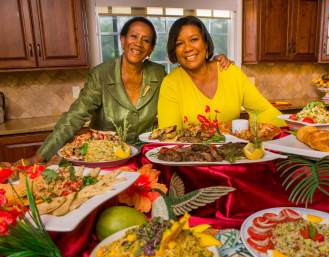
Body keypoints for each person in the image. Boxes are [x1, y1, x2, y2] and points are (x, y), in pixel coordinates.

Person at [26, 17, 231, 163]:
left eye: (146, 40)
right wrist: (41, 154)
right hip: (103, 160)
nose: (138, 44)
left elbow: (187, 74)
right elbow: (74, 117)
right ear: (123, 40)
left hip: (145, 159)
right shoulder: (101, 75)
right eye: (133, 36)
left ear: (151, 49)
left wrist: (212, 61)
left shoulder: (159, 74)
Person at [158, 16, 286, 129]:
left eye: (194, 39)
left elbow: (264, 111)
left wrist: (293, 130)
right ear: (174, 51)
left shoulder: (229, 72)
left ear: (206, 44)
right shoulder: (171, 84)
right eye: (179, 43)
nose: (188, 48)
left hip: (233, 153)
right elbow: (169, 136)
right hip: (191, 155)